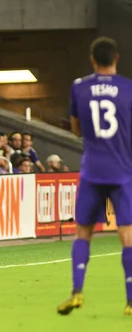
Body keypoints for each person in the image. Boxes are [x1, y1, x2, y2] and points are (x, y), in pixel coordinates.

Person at [57, 37, 132, 316]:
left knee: (83, 232)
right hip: (123, 169)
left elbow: (76, 128)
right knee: (127, 234)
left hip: (92, 170)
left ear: (92, 59)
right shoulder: (128, 89)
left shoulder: (80, 87)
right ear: (116, 58)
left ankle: (77, 292)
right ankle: (130, 301)